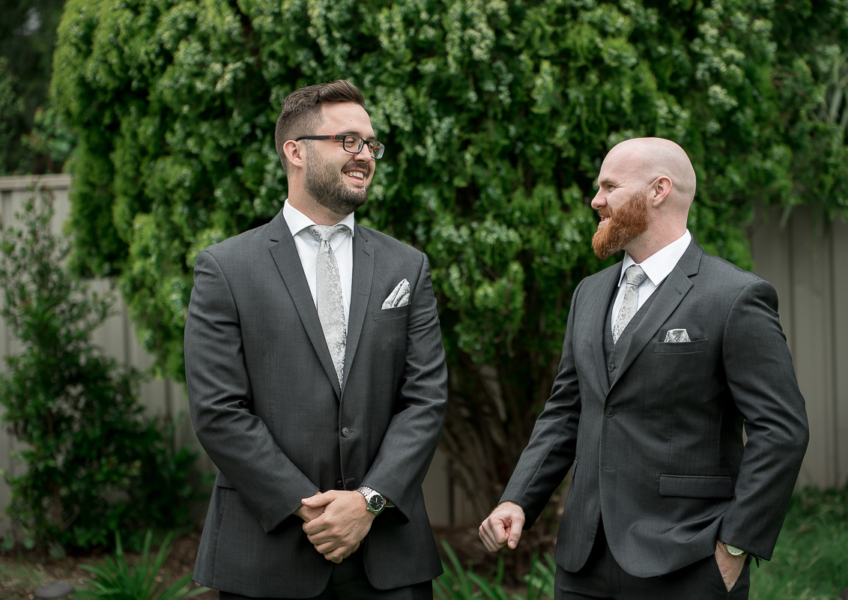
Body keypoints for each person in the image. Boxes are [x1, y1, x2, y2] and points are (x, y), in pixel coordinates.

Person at [479, 138, 809, 600]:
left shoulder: (734, 297)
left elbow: (782, 430)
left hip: (687, 561)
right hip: (582, 563)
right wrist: (518, 498)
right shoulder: (589, 295)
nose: (596, 200)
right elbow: (566, 411)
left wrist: (734, 546)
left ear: (659, 190)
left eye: (609, 186)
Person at [184, 80, 447, 600]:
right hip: (269, 552)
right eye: (348, 141)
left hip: (389, 556)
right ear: (295, 151)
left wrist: (367, 502)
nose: (365, 155)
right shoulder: (227, 268)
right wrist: (313, 509)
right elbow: (218, 408)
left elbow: (426, 399)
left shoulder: (406, 266)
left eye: (371, 144)